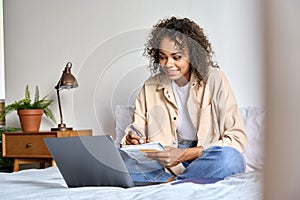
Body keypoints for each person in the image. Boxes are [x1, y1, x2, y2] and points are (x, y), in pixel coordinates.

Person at [120, 16, 248, 183]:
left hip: (205, 157)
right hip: (164, 165)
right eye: (163, 57)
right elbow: (136, 131)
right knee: (119, 158)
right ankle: (180, 182)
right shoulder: (150, 86)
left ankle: (169, 183)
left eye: (176, 57)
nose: (168, 64)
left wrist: (184, 154)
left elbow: (237, 139)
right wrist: (132, 139)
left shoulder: (214, 79)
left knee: (231, 159)